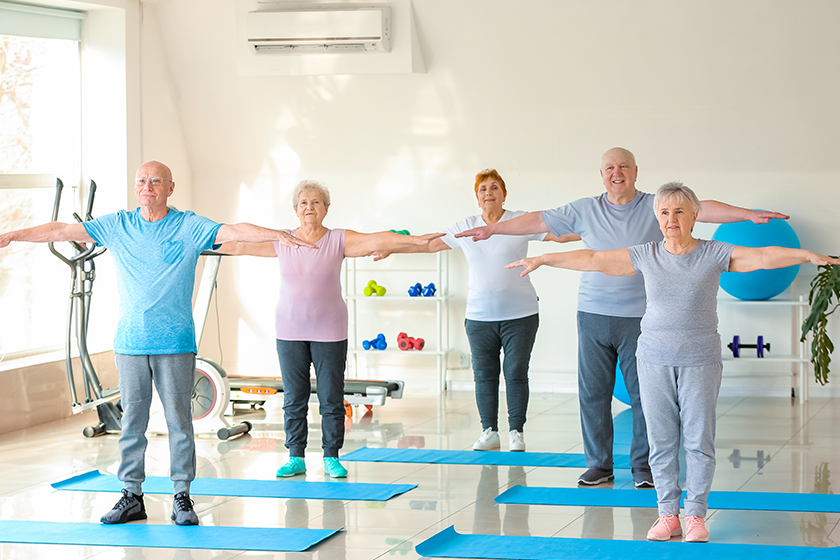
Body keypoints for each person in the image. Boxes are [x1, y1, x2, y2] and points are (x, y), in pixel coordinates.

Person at [507, 182, 840, 543]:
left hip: (700, 359)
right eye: (664, 212)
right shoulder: (646, 253)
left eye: (679, 211)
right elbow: (594, 259)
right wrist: (543, 259)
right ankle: (668, 515)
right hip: (652, 358)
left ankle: (695, 514)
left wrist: (804, 255)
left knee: (698, 441)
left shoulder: (714, 252)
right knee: (661, 442)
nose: (671, 219)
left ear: (694, 215)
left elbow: (760, 257)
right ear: (657, 218)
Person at [0, 161, 316, 526]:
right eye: (141, 181)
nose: (147, 186)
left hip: (175, 341)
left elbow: (233, 229)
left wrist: (277, 233)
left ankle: (182, 496)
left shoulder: (188, 225)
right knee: (132, 422)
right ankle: (131, 496)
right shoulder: (117, 225)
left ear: (170, 188)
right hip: (130, 342)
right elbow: (61, 230)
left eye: (155, 181)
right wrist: (13, 235)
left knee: (179, 421)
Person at [456, 147, 789, 488]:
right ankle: (599, 465)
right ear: (602, 174)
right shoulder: (585, 209)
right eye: (610, 167)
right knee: (593, 393)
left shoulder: (653, 204)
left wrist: (748, 214)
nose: (617, 172)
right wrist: (493, 230)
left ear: (635, 171)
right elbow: (538, 220)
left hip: (641, 317)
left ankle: (644, 468)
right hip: (593, 314)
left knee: (646, 395)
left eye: (624, 166)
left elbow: (701, 209)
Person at [218, 179, 443, 479]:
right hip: (290, 329)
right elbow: (238, 245)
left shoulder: (338, 239)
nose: (309, 207)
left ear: (326, 208)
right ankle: (295, 455)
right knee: (294, 398)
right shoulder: (281, 239)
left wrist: (417, 241)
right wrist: (197, 240)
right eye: (303, 203)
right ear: (295, 210)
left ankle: (331, 456)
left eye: (316, 202)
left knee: (331, 397)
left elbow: (377, 240)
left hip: (330, 330)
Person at [378, 169, 578, 452]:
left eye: (494, 187)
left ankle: (516, 431)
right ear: (477, 197)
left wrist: (596, 230)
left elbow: (558, 236)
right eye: (483, 189)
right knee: (484, 375)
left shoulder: (518, 222)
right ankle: (490, 431)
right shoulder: (467, 226)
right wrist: (393, 248)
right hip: (480, 317)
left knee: (515, 372)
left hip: (520, 314)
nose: (489, 192)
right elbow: (430, 243)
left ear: (504, 194)